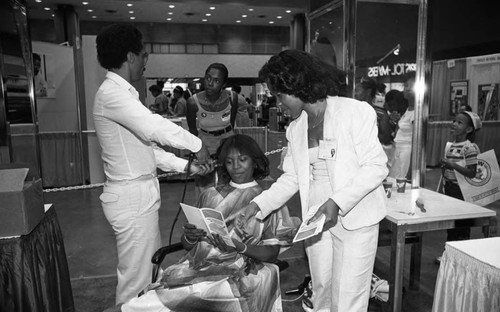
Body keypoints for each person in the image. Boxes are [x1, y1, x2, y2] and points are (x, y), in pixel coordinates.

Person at [240, 50, 388, 311]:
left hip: (355, 218)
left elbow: (376, 167)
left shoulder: (354, 112)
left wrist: (337, 202)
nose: (278, 103)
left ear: (296, 85)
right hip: (317, 220)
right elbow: (293, 178)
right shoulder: (296, 128)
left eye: (280, 95)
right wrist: (257, 206)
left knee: (348, 299)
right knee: (321, 292)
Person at [93, 24, 211, 305]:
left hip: (139, 196)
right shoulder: (112, 94)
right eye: (144, 54)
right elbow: (153, 127)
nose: (146, 61)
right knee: (136, 282)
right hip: (131, 198)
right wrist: (197, 145)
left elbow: (148, 151)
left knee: (148, 273)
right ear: (131, 56)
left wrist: (187, 167)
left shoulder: (121, 94)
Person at [122, 134, 299, 312]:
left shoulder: (269, 199)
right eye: (229, 162)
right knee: (154, 298)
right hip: (200, 265)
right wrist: (191, 238)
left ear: (255, 162)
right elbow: (188, 246)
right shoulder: (209, 195)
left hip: (240, 268)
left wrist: (240, 247)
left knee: (187, 297)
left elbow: (271, 253)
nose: (236, 167)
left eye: (242, 160)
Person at [436, 111, 481, 263]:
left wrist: (452, 165)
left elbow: (472, 172)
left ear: (469, 130)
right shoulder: (451, 145)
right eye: (454, 121)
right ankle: (449, 255)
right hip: (450, 189)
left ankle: (461, 259)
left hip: (461, 192)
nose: (454, 124)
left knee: (461, 226)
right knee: (451, 224)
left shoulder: (469, 148)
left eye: (459, 122)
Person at [186, 63, 238, 193]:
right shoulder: (193, 102)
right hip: (205, 142)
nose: (210, 83)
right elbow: (192, 130)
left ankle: (227, 209)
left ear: (223, 84)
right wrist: (196, 148)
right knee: (204, 182)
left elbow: (231, 122)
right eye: (208, 78)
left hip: (227, 141)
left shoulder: (232, 98)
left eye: (216, 80)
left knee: (227, 181)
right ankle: (203, 209)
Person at [388, 74, 416, 182]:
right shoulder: (408, 109)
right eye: (405, 85)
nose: (406, 88)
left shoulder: (416, 112)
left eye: (410, 86)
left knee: (400, 181)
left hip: (406, 153)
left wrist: (411, 168)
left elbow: (416, 139)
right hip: (398, 150)